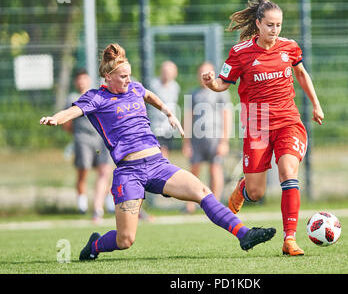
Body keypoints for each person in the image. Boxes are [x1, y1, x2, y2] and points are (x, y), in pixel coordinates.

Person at [39, 43, 276, 261]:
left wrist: (168, 112)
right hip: (129, 172)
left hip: (157, 164)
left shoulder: (134, 87)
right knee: (125, 240)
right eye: (122, 77)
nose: (127, 80)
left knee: (202, 191)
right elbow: (74, 111)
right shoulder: (97, 97)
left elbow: (148, 95)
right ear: (108, 77)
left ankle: (244, 234)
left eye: (129, 75)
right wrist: (56, 119)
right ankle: (94, 245)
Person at [200, 0, 324, 256]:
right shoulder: (240, 52)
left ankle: (289, 239)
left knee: (288, 172)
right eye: (270, 24)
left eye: (279, 25)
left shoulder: (289, 47)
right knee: (256, 193)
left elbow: (301, 74)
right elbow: (223, 84)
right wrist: (211, 82)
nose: (275, 30)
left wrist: (315, 103)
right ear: (258, 23)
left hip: (288, 121)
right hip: (256, 124)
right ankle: (244, 186)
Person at [62, 69, 114, 222]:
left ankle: (105, 202)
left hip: (100, 139)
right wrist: (77, 135)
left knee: (104, 170)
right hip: (82, 138)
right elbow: (67, 121)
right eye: (79, 79)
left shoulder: (98, 95)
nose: (81, 82)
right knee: (83, 169)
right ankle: (82, 202)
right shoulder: (72, 97)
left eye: (84, 78)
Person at [182, 62, 232, 213]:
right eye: (201, 73)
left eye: (207, 73)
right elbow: (188, 118)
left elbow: (227, 116)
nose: (204, 76)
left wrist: (224, 141)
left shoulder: (221, 93)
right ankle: (190, 205)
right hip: (197, 139)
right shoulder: (192, 93)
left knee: (215, 169)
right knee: (194, 171)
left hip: (215, 138)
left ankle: (215, 207)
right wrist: (186, 142)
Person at [147, 61, 180, 159]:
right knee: (161, 153)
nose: (167, 74)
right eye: (165, 71)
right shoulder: (153, 85)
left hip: (168, 127)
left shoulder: (175, 86)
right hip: (155, 126)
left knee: (165, 153)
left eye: (170, 72)